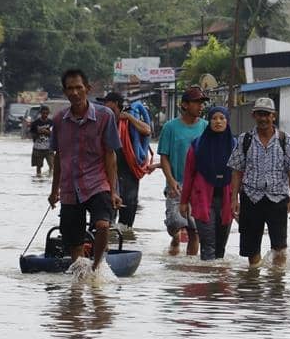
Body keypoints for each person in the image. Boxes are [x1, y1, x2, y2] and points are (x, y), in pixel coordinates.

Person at [48, 69, 122, 272]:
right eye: (70, 89)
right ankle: (79, 283)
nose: (74, 93)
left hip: (97, 182)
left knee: (103, 225)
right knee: (74, 241)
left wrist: (114, 190)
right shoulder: (59, 120)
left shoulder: (104, 116)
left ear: (87, 89)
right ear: (65, 92)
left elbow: (110, 155)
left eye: (78, 88)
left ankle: (97, 268)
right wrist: (54, 191)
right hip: (70, 188)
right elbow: (58, 157)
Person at [228, 97, 290, 268]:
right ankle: (253, 285)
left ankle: (276, 283)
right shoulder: (244, 140)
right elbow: (237, 172)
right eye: (260, 114)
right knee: (251, 250)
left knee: (280, 248)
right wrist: (234, 199)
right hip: (251, 199)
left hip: (278, 200)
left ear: (273, 116)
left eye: (267, 114)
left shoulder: (286, 140)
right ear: (254, 115)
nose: (263, 118)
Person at [179, 106, 236, 261]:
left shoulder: (235, 146)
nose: (218, 122)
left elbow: (241, 175)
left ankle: (218, 283)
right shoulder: (197, 145)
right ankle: (208, 280)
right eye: (214, 118)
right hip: (202, 200)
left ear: (227, 121)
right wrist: (183, 202)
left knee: (220, 248)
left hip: (227, 201)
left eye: (222, 118)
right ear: (209, 121)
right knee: (208, 245)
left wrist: (239, 201)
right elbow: (189, 175)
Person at [157, 85, 208, 256]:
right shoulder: (170, 128)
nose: (201, 106)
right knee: (176, 223)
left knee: (195, 230)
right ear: (185, 105)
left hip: (198, 187)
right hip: (176, 184)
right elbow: (164, 156)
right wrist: (171, 181)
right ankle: (175, 237)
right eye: (197, 102)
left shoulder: (206, 127)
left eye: (202, 103)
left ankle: (189, 269)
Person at [96, 92, 152, 230]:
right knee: (106, 211)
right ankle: (107, 239)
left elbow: (147, 130)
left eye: (107, 102)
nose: (104, 105)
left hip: (128, 170)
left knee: (128, 209)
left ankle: (125, 239)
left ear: (115, 104)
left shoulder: (128, 120)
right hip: (108, 171)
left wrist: (128, 117)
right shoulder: (102, 121)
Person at [30, 105, 54, 176]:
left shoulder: (51, 122)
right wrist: (38, 132)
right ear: (40, 113)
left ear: (48, 113)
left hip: (49, 148)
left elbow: (55, 134)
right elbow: (31, 135)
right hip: (38, 148)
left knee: (52, 165)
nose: (45, 115)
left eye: (46, 113)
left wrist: (47, 132)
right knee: (39, 166)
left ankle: (50, 179)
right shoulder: (35, 123)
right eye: (43, 113)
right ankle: (38, 180)